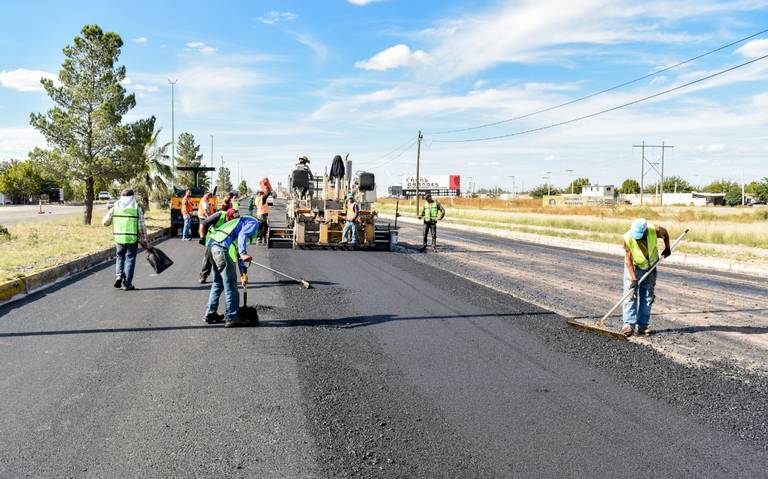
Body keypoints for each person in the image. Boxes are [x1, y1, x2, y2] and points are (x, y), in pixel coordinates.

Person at [203, 209, 260, 327]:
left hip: (212, 248)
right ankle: (232, 317)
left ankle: (210, 313)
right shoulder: (253, 223)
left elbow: (238, 255)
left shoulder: (238, 224)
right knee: (231, 285)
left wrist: (244, 274)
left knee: (218, 283)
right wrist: (244, 252)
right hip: (220, 249)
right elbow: (243, 238)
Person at [622, 218, 672, 337]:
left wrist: (667, 247)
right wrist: (634, 279)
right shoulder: (628, 237)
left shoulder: (655, 230)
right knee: (630, 296)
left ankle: (642, 326)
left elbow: (665, 234)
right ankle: (628, 325)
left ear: (645, 231)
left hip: (651, 267)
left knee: (647, 297)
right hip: (634, 267)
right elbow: (628, 261)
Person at [102, 189, 149, 291]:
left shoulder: (115, 208)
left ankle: (119, 275)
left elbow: (105, 222)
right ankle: (127, 284)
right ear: (133, 197)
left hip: (119, 238)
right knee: (130, 259)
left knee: (119, 257)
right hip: (132, 238)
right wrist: (144, 240)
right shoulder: (137, 209)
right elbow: (141, 227)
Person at [197, 192, 216, 283]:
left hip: (224, 245)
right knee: (208, 257)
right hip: (213, 242)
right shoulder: (219, 216)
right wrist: (202, 237)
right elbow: (203, 224)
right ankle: (203, 276)